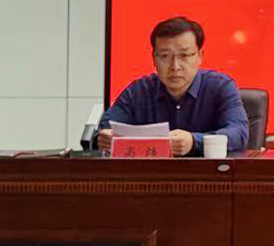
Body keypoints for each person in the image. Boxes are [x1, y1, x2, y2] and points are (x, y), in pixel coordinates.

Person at [96, 16, 249, 157]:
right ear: (154, 58)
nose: (175, 67)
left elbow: (238, 133)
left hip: (207, 176)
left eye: (184, 55)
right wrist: (105, 137)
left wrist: (194, 141)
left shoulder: (221, 87)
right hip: (150, 176)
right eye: (165, 56)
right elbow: (105, 128)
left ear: (200, 56)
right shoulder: (138, 91)